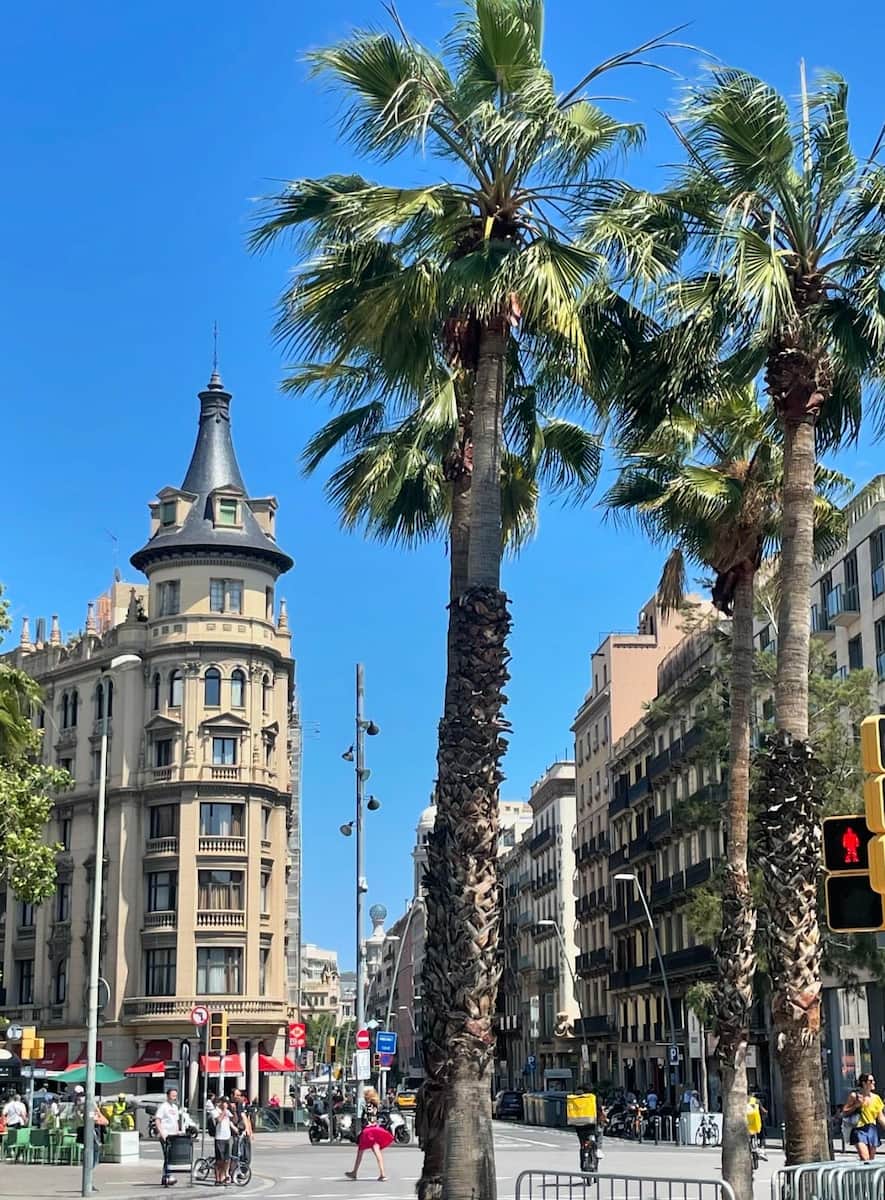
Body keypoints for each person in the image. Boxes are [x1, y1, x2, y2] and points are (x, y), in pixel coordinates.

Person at [345, 1087, 394, 1183]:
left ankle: (354, 1172)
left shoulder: (368, 1105)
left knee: (360, 1151)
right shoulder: (375, 1105)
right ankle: (382, 1173)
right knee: (377, 1152)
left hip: (368, 1130)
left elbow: (369, 1118)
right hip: (375, 1129)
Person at [842, 1073, 885, 1162]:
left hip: (872, 1129)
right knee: (865, 1158)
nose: (874, 1082)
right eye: (871, 1081)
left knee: (871, 1160)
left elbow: (880, 1117)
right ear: (864, 1083)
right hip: (859, 1129)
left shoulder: (876, 1098)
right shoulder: (855, 1096)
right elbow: (844, 1112)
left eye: (873, 1080)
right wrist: (856, 1105)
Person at [154, 1087, 183, 1187]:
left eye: (175, 1095)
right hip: (165, 1135)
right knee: (167, 1156)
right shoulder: (163, 1107)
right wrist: (162, 1133)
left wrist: (178, 1131)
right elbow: (157, 1120)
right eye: (172, 1095)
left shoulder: (175, 1107)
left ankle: (166, 1177)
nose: (174, 1097)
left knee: (171, 1157)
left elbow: (176, 1121)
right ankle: (167, 1176)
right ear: (168, 1096)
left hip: (173, 1135)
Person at [211, 1098, 235, 1185]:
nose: (225, 1104)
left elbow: (234, 1120)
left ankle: (224, 1176)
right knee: (219, 1160)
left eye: (226, 1103)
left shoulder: (227, 1111)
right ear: (220, 1103)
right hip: (219, 1138)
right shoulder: (215, 1111)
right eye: (224, 1102)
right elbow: (219, 1120)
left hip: (227, 1137)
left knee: (226, 1159)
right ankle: (218, 1179)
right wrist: (224, 1110)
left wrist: (234, 1111)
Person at [746, 1094, 768, 1161]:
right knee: (762, 1134)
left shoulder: (741, 1101)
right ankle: (762, 1150)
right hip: (755, 1123)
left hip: (745, 1123)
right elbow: (763, 1111)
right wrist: (765, 1113)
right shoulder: (756, 1101)